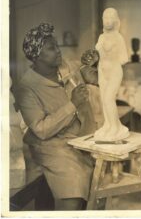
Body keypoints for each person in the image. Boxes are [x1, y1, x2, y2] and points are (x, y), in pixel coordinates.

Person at [17, 23, 94, 210]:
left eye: (57, 45)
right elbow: (41, 130)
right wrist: (73, 104)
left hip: (78, 136)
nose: (58, 51)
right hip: (50, 144)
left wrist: (88, 71)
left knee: (99, 174)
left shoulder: (63, 65)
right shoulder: (27, 87)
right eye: (51, 48)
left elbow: (80, 73)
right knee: (77, 179)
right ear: (36, 56)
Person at [93, 8, 129, 141]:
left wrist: (112, 56)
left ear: (115, 20)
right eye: (105, 18)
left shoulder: (118, 38)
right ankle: (108, 125)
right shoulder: (101, 37)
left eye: (110, 18)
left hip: (114, 71)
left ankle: (116, 127)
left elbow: (124, 59)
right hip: (102, 72)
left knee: (109, 99)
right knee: (103, 100)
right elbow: (97, 55)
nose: (107, 21)